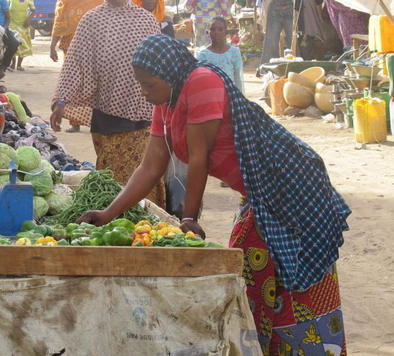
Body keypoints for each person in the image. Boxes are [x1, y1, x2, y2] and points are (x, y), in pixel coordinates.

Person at [78, 34, 351, 355]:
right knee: (253, 269)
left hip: (291, 185)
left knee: (279, 270)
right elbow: (150, 167)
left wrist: (190, 217)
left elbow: (199, 156)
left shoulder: (202, 81)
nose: (144, 92)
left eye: (149, 85)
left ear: (169, 74)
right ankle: (267, 346)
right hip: (258, 194)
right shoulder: (164, 102)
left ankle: (306, 346)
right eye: (141, 85)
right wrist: (108, 213)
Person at [50, 0, 166, 209]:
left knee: (146, 171)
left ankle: (150, 223)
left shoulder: (146, 20)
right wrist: (60, 101)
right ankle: (112, 220)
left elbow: (160, 66)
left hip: (143, 111)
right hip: (106, 112)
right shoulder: (92, 20)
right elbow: (75, 62)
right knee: (110, 176)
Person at [49, 0, 103, 133]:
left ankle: (97, 119)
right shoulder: (64, 2)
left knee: (96, 83)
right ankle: (75, 122)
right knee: (72, 83)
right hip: (70, 46)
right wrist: (52, 46)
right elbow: (59, 22)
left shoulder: (97, 2)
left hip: (94, 48)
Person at [197, 17, 244, 93]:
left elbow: (238, 78)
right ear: (207, 32)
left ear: (226, 32)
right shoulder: (203, 55)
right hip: (211, 95)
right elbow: (200, 80)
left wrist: (241, 98)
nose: (216, 32)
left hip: (230, 95)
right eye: (212, 29)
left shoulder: (234, 52)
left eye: (220, 29)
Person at [260, 0, 294, 65]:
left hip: (287, 8)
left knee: (293, 40)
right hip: (276, 8)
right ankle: (271, 66)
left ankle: (294, 65)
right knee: (272, 41)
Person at [8, 0, 35, 71]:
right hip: (12, 24)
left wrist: (28, 20)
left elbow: (33, 11)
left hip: (23, 25)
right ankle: (13, 63)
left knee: (23, 45)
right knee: (13, 44)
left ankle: (19, 65)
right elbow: (5, 9)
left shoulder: (29, 1)